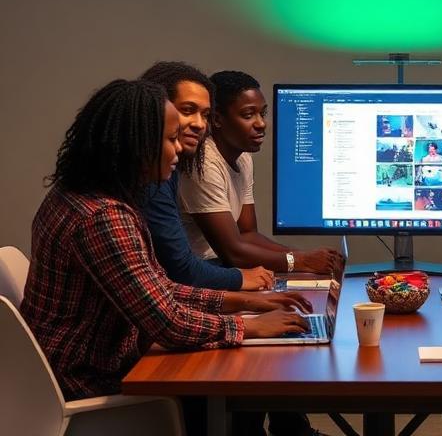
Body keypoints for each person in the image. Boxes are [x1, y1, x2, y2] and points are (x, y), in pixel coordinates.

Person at [20, 79, 312, 404]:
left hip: (65, 371)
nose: (179, 149)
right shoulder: (104, 218)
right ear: (137, 145)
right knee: (239, 372)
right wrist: (249, 327)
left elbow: (159, 290)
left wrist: (246, 302)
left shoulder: (76, 194)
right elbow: (167, 322)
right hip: (87, 380)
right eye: (171, 139)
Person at [179, 70, 343, 276]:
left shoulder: (243, 158)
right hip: (205, 271)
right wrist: (301, 261)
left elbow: (248, 234)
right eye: (248, 115)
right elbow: (233, 253)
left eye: (262, 113)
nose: (261, 123)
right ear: (217, 119)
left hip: (226, 266)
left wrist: (304, 257)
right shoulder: (203, 164)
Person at [140, 61, 273, 291]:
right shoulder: (147, 185)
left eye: (205, 114)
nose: (200, 124)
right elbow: (179, 272)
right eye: (187, 111)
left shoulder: (169, 170)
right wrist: (241, 286)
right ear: (156, 109)